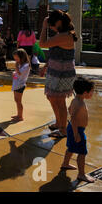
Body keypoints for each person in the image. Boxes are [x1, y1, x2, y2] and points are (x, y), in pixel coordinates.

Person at [39, 10, 78, 138]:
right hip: (55, 72)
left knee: (59, 101)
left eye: (51, 24)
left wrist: (44, 27)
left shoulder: (64, 36)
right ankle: (58, 123)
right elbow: (55, 53)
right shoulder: (60, 35)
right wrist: (45, 66)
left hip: (62, 74)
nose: (50, 27)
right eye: (48, 25)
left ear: (59, 22)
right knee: (52, 97)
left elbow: (42, 44)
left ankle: (63, 129)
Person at [61, 77, 95, 183]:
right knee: (82, 152)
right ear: (85, 92)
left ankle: (65, 164)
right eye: (92, 91)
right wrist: (76, 134)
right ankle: (81, 174)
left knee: (71, 148)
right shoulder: (80, 103)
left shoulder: (76, 100)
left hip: (73, 128)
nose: (93, 94)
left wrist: (73, 129)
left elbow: (69, 109)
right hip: (77, 130)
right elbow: (74, 118)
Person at [11, 49, 31, 122]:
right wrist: (14, 73)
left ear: (21, 57)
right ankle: (18, 114)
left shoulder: (26, 65)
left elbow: (20, 73)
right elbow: (17, 74)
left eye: (16, 58)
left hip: (20, 85)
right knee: (16, 100)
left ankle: (20, 116)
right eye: (15, 58)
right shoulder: (20, 64)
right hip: (16, 84)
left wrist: (16, 67)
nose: (15, 60)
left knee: (18, 101)